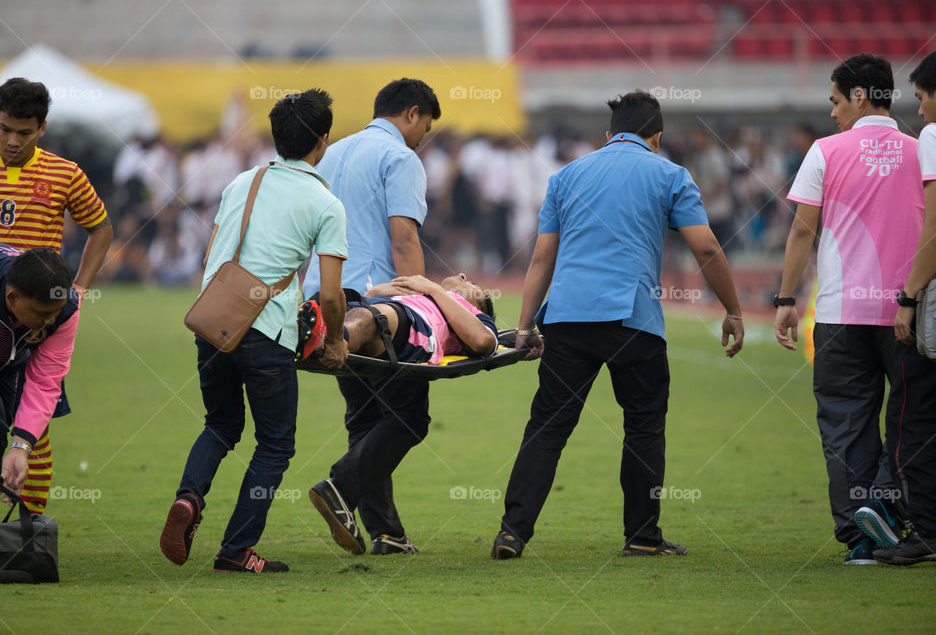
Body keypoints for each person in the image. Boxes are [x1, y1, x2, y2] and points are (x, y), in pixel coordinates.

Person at [491, 91, 744, 560]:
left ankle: (512, 533)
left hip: (567, 318)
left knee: (547, 428)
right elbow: (706, 249)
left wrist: (525, 326)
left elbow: (542, 257)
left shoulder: (566, 176)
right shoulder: (670, 174)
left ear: (608, 136)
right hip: (634, 319)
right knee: (643, 427)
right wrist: (733, 310)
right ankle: (643, 536)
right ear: (657, 137)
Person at [159, 89, 348, 574]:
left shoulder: (243, 181)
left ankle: (188, 499)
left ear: (276, 136)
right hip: (268, 332)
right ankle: (236, 549)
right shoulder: (325, 202)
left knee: (220, 425)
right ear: (323, 140)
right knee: (275, 443)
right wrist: (335, 340)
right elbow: (330, 295)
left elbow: (211, 257)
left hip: (213, 320)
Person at [774, 53, 923, 565]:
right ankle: (890, 508)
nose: (832, 112)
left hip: (840, 314)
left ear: (859, 96)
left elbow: (801, 229)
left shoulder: (825, 151)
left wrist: (786, 299)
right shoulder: (919, 151)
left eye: (835, 100)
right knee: (911, 424)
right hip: (909, 312)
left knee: (845, 427)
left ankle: (860, 538)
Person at [302, 78, 441, 556]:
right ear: (413, 113)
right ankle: (339, 485)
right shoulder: (400, 157)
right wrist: (423, 306)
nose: (423, 135)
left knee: (364, 417)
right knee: (409, 417)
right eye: (426, 125)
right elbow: (403, 238)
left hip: (323, 301)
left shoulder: (332, 153)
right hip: (376, 305)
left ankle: (386, 533)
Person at [0, 77, 113, 514]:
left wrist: (78, 290)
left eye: (24, 132)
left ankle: (27, 525)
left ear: (42, 129)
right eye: (4, 129)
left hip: (37, 316)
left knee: (35, 424)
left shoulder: (64, 172)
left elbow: (102, 228)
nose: (12, 141)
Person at [869, 51, 936, 565]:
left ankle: (924, 530)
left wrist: (908, 298)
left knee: (911, 418)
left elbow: (933, 229)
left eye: (922, 97)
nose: (920, 112)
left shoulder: (932, 139)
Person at [0, 244, 80, 522]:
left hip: (1, 353)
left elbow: (46, 380)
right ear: (12, 298)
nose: (49, 321)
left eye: (54, 312)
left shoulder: (66, 307)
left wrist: (21, 445)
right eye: (41, 313)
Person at [314, 273, 497, 364]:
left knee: (372, 319)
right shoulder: (423, 294)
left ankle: (326, 341)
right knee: (328, 303)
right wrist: (374, 293)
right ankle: (304, 332)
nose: (463, 275)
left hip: (415, 326)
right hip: (385, 306)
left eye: (472, 285)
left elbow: (482, 342)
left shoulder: (475, 316)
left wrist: (435, 290)